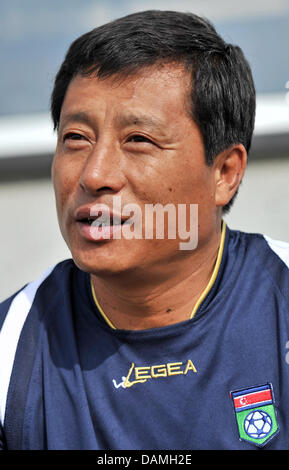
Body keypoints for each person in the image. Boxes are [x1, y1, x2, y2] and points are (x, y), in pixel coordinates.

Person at [0, 9, 288, 451]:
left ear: (225, 172)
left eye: (138, 140)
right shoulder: (10, 349)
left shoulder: (279, 303)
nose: (95, 174)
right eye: (76, 138)